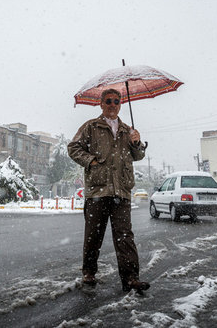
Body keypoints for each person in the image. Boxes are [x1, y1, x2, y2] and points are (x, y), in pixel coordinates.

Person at [68, 88, 150, 293]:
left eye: (116, 101)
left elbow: (138, 156)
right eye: (109, 101)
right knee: (93, 235)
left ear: (120, 104)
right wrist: (91, 161)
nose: (113, 105)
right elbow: (73, 148)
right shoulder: (90, 127)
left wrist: (137, 142)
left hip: (121, 190)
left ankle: (131, 278)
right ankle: (89, 272)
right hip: (98, 190)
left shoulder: (126, 130)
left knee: (125, 235)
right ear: (101, 104)